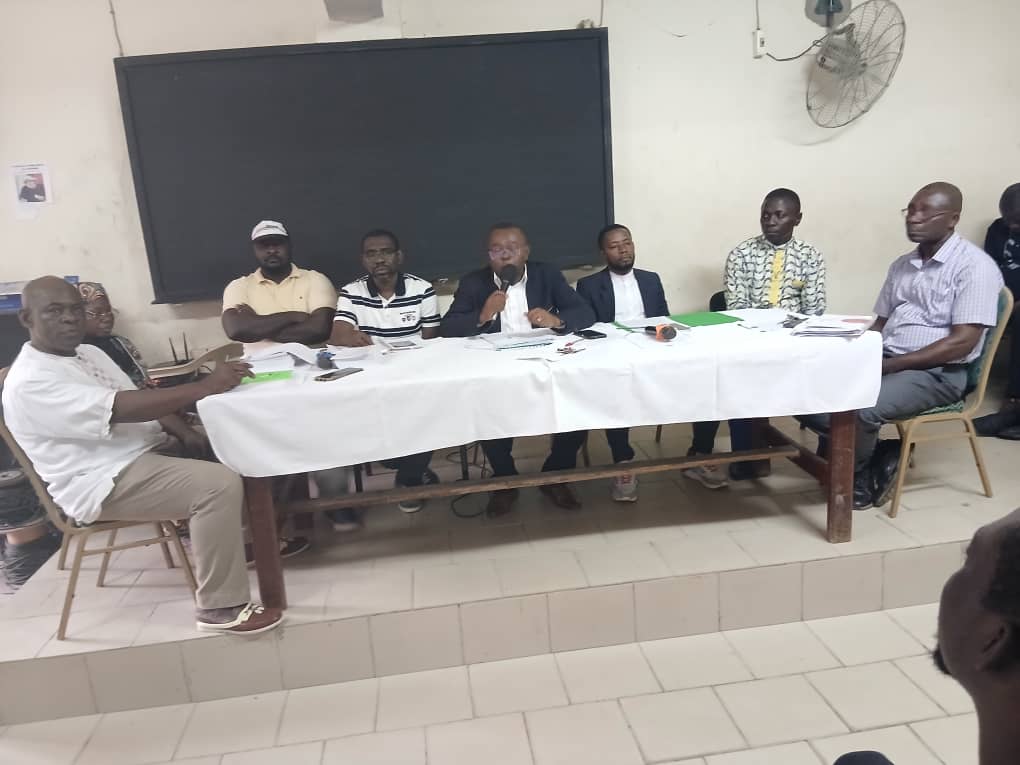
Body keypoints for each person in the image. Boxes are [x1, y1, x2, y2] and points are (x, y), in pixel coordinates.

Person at [2, 276, 282, 634]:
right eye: (54, 311)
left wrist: (184, 432)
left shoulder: (89, 353)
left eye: (75, 309)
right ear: (27, 319)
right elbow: (123, 407)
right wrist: (206, 386)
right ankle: (220, 606)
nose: (70, 318)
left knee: (243, 442)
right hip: (102, 480)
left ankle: (249, 544)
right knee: (216, 485)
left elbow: (138, 396)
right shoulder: (32, 381)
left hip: (138, 452)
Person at [802, 182, 1003, 510]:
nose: (913, 217)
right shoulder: (902, 265)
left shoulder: (975, 267)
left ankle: (856, 477)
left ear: (952, 219)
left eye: (925, 211)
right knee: (805, 386)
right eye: (910, 210)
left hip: (938, 372)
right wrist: (846, 351)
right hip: (887, 357)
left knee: (861, 406)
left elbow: (961, 342)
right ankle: (880, 452)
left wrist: (892, 366)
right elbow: (879, 324)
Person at [440, 222, 596, 517]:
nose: (504, 256)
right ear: (488, 256)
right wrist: (483, 315)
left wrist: (556, 321)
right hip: (495, 369)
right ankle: (506, 480)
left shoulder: (546, 274)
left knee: (576, 403)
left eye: (511, 249)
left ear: (526, 252)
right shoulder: (474, 283)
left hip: (545, 365)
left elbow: (585, 312)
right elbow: (447, 328)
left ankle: (554, 476)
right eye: (496, 250)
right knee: (487, 413)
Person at [686, 188, 827, 489]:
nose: (770, 221)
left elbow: (814, 310)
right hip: (747, 341)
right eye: (765, 215)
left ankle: (826, 453)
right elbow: (738, 308)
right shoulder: (741, 254)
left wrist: (786, 333)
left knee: (828, 375)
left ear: (797, 219)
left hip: (793, 343)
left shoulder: (810, 256)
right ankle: (744, 456)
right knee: (729, 380)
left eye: (779, 215)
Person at [319, 229, 441, 526]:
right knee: (361, 424)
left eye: (385, 252)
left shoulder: (422, 289)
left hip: (413, 376)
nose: (379, 259)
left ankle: (409, 479)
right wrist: (349, 337)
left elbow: (431, 342)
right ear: (363, 260)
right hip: (369, 379)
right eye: (371, 254)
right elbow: (337, 335)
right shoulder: (352, 292)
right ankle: (409, 466)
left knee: (428, 413)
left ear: (399, 256)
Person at [576, 223, 669, 502]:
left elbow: (663, 319)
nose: (623, 250)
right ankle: (623, 460)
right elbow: (588, 329)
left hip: (651, 352)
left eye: (626, 243)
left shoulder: (651, 279)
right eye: (615, 246)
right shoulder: (589, 285)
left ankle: (700, 453)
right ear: (603, 253)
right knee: (615, 392)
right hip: (612, 355)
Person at [221, 220, 336, 348]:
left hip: (312, 358)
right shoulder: (239, 286)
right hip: (259, 360)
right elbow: (236, 330)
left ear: (289, 246)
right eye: (264, 245)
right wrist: (294, 316)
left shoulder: (315, 279)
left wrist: (256, 326)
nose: (272, 250)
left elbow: (320, 330)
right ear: (254, 250)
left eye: (277, 244)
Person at [984, 184, 1020, 413]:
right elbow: (987, 269)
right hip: (999, 299)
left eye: (1017, 221)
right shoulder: (997, 230)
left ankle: (1015, 396)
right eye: (1008, 219)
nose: (1012, 226)